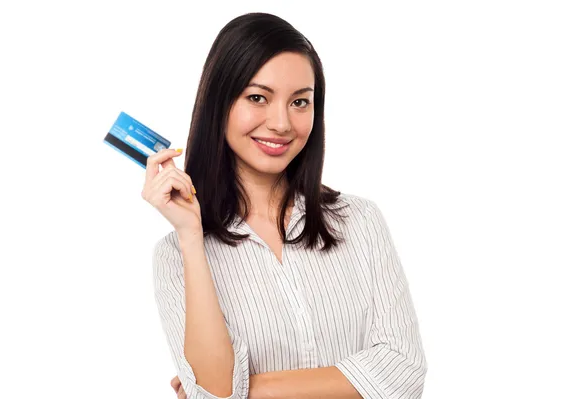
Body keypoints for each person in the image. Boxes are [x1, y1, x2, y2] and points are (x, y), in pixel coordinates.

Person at [142, 12, 428, 399]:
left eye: (299, 102)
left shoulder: (359, 221)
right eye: (257, 97)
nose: (281, 123)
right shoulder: (176, 255)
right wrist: (191, 235)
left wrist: (247, 390)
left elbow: (404, 371)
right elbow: (216, 390)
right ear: (219, 102)